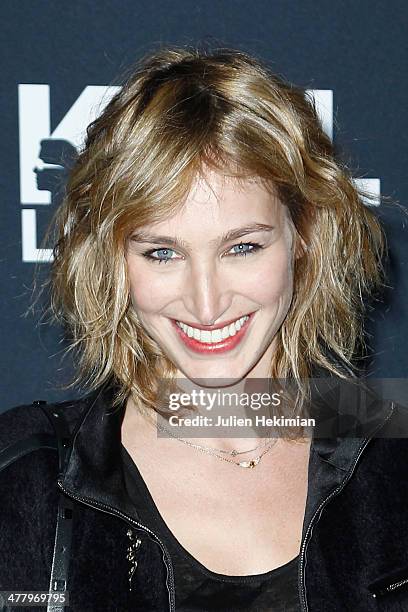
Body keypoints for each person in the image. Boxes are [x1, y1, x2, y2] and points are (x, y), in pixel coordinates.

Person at [1, 46, 407, 612]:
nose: (207, 302)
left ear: (306, 237)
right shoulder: (24, 476)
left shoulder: (393, 450)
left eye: (242, 247)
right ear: (111, 259)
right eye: (162, 253)